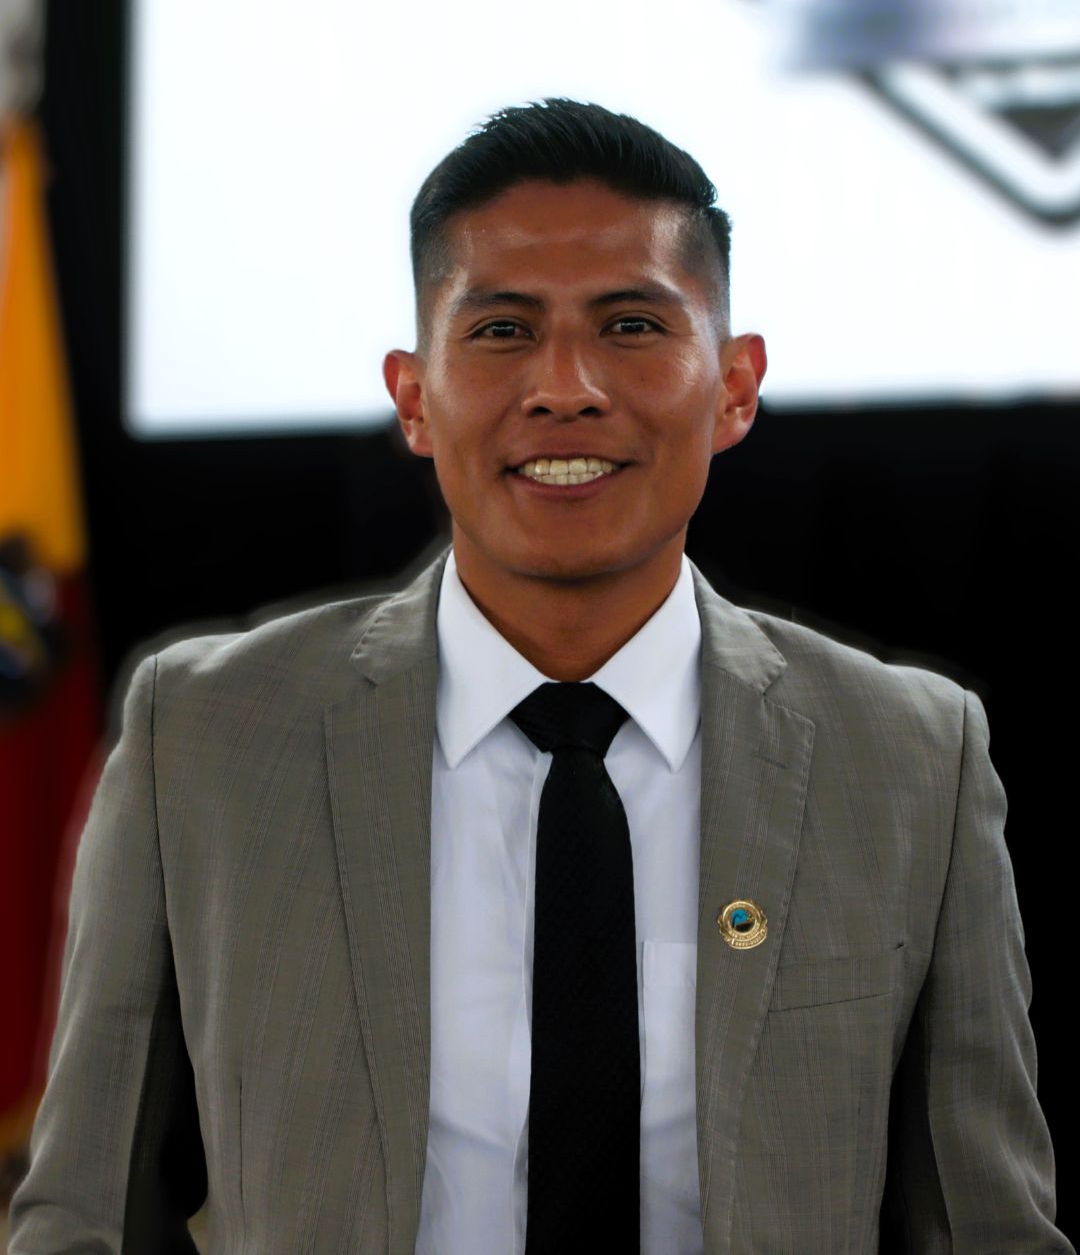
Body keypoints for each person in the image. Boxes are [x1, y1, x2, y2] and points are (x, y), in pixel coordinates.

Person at [9, 100, 1070, 1254]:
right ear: (414, 397)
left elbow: (987, 1230)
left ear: (735, 386)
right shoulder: (203, 737)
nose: (565, 386)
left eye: (631, 324)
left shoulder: (910, 757)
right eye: (504, 330)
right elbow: (87, 1219)